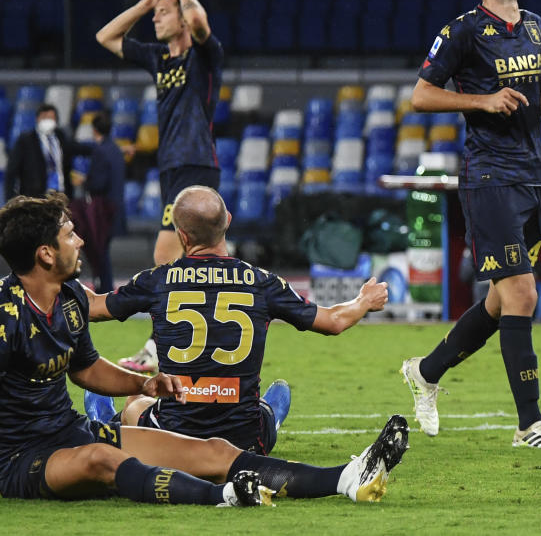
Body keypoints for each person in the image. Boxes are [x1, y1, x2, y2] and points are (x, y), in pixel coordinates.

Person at [0, 193, 408, 507]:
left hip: (71, 429)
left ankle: (346, 477)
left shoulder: (72, 296)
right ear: (44, 253)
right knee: (104, 460)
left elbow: (85, 369)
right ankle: (225, 497)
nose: (80, 239)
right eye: (68, 233)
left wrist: (145, 382)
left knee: (214, 450)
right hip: (23, 460)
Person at [400, 0, 541, 448]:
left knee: (498, 302)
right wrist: (481, 102)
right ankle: (530, 425)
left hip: (531, 176)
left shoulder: (534, 26)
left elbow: (537, 98)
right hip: (488, 177)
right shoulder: (462, 31)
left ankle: (427, 370)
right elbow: (419, 96)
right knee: (523, 293)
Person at [82, 185, 390, 456]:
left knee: (137, 399)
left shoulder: (157, 280)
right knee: (279, 393)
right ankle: (270, 417)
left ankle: (103, 423)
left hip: (173, 437)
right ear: (228, 220)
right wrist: (365, 300)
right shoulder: (263, 282)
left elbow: (93, 307)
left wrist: (47, 275)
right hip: (245, 440)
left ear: (182, 236)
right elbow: (334, 321)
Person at [96, 0, 223, 373]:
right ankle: (219, 329)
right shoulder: (158, 58)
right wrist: (146, 3)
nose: (157, 20)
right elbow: (106, 37)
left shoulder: (204, 56)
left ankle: (158, 345)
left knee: (164, 255)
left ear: (183, 18)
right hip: (172, 167)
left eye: (164, 14)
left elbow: (201, 25)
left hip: (195, 164)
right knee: (207, 259)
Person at [70, 110, 126, 293]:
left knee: (100, 252)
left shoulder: (100, 151)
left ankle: (104, 289)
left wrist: (83, 181)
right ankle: (105, 287)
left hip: (103, 209)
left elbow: (99, 183)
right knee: (104, 251)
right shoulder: (116, 149)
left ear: (94, 130)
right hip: (116, 205)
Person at [4, 103, 92, 199]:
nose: (47, 120)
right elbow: (12, 170)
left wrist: (98, 148)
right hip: (35, 196)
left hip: (60, 195)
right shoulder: (26, 140)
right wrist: (9, 198)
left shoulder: (60, 136)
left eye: (51, 117)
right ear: (37, 119)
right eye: (44, 117)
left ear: (56, 120)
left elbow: (75, 148)